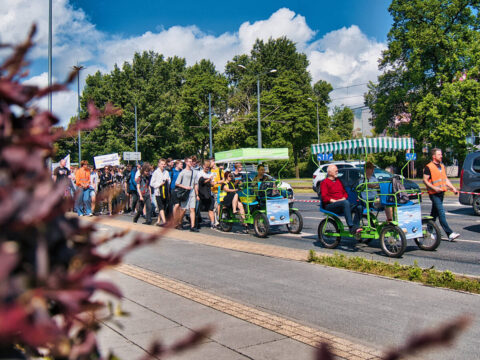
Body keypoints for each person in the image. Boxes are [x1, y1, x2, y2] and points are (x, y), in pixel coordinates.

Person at [423, 148, 460, 241]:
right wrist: (434, 188)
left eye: (441, 154)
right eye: (439, 154)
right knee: (441, 213)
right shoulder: (429, 167)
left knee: (433, 214)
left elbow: (445, 179)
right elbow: (425, 180)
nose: (441, 156)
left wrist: (453, 188)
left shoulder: (441, 166)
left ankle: (429, 230)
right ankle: (450, 233)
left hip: (441, 193)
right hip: (434, 194)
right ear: (434, 156)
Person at [320, 164, 362, 234]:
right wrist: (335, 201)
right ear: (329, 173)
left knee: (359, 207)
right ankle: (351, 227)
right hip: (330, 205)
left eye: (337, 171)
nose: (337, 172)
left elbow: (345, 193)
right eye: (335, 171)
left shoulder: (338, 181)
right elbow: (324, 197)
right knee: (345, 203)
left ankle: (355, 227)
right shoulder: (324, 182)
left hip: (341, 204)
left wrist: (343, 198)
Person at [175, 157, 199, 232]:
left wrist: (197, 194)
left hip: (192, 193)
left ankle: (192, 226)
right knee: (183, 210)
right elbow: (177, 183)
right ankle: (179, 222)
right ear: (186, 162)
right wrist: (185, 187)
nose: (191, 163)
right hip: (185, 193)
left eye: (191, 162)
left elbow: (196, 184)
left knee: (192, 209)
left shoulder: (194, 172)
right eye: (189, 161)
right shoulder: (183, 172)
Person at [151, 158, 171, 227]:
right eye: (162, 164)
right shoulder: (156, 172)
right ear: (159, 164)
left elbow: (169, 181)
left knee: (163, 207)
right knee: (161, 206)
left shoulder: (167, 172)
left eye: (164, 164)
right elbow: (152, 183)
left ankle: (158, 220)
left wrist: (167, 181)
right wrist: (160, 184)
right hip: (158, 192)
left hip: (165, 192)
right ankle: (164, 221)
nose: (163, 165)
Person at [198, 161, 216, 229]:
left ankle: (212, 223)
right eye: (206, 167)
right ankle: (196, 221)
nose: (207, 168)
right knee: (198, 209)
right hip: (201, 194)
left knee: (210, 209)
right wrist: (209, 179)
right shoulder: (200, 173)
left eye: (208, 167)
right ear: (203, 166)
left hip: (209, 194)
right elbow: (202, 182)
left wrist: (212, 182)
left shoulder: (210, 173)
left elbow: (212, 183)